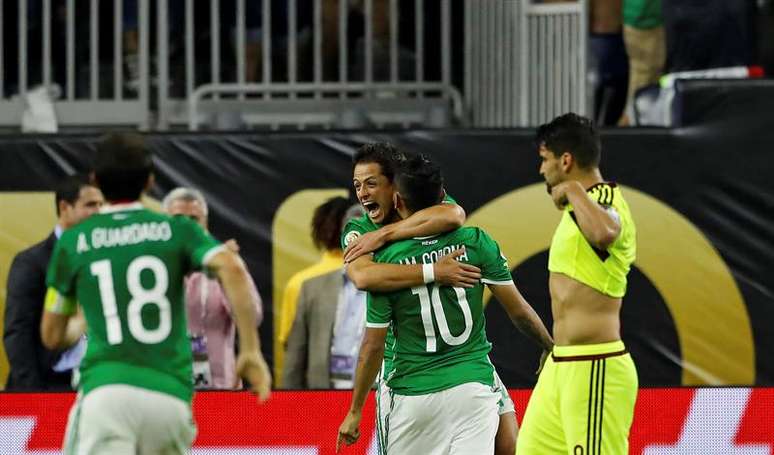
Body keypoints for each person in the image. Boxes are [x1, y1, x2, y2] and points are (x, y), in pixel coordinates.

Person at [40, 132, 270, 454]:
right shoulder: (178, 231)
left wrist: (84, 321)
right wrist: (250, 349)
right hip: (169, 397)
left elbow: (52, 335)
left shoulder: (74, 242)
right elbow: (230, 269)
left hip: (107, 391)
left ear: (96, 180)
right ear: (149, 182)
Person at [337, 154, 553, 454]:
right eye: (357, 185)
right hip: (458, 377)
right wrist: (433, 271)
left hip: (426, 381)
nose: (363, 193)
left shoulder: (388, 251)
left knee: (510, 445)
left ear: (394, 192)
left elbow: (455, 214)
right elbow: (361, 276)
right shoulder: (360, 228)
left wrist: (386, 235)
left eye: (372, 184)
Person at [516, 113, 638, 454]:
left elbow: (605, 232)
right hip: (561, 365)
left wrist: (570, 189)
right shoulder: (578, 211)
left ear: (566, 160)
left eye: (545, 160)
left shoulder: (607, 200)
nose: (541, 170)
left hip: (595, 363)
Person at [3, 174, 103, 391]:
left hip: (98, 386)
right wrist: (33, 397)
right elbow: (17, 333)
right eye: (90, 204)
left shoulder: (106, 259)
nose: (98, 212)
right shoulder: (31, 262)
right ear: (65, 207)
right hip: (49, 387)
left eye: (101, 204)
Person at [162, 187, 264, 390]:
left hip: (220, 389)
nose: (187, 227)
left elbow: (254, 318)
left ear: (205, 224)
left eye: (194, 219)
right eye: (178, 219)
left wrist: (225, 274)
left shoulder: (227, 264)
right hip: (168, 388)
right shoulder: (153, 267)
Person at [282, 204, 366, 389]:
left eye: (369, 231)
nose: (360, 240)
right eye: (354, 232)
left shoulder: (395, 287)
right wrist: (287, 408)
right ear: (343, 236)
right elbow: (295, 359)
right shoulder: (312, 288)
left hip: (375, 400)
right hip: (322, 398)